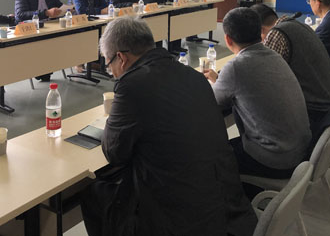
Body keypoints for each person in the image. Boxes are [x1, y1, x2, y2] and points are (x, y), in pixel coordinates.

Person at [81, 17, 256, 236]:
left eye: (109, 65)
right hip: (229, 210)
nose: (112, 73)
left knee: (94, 193)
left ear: (121, 58)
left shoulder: (132, 85)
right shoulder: (194, 76)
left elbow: (114, 153)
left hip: (181, 221)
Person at [203, 7, 311, 179]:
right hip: (301, 152)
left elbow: (211, 101)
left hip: (276, 160)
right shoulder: (274, 55)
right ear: (260, 32)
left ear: (228, 39)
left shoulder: (236, 67)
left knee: (207, 158)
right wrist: (220, 80)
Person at [252, 4, 330, 126]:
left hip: (315, 115)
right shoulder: (300, 25)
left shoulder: (276, 33)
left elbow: (265, 80)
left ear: (260, 30)